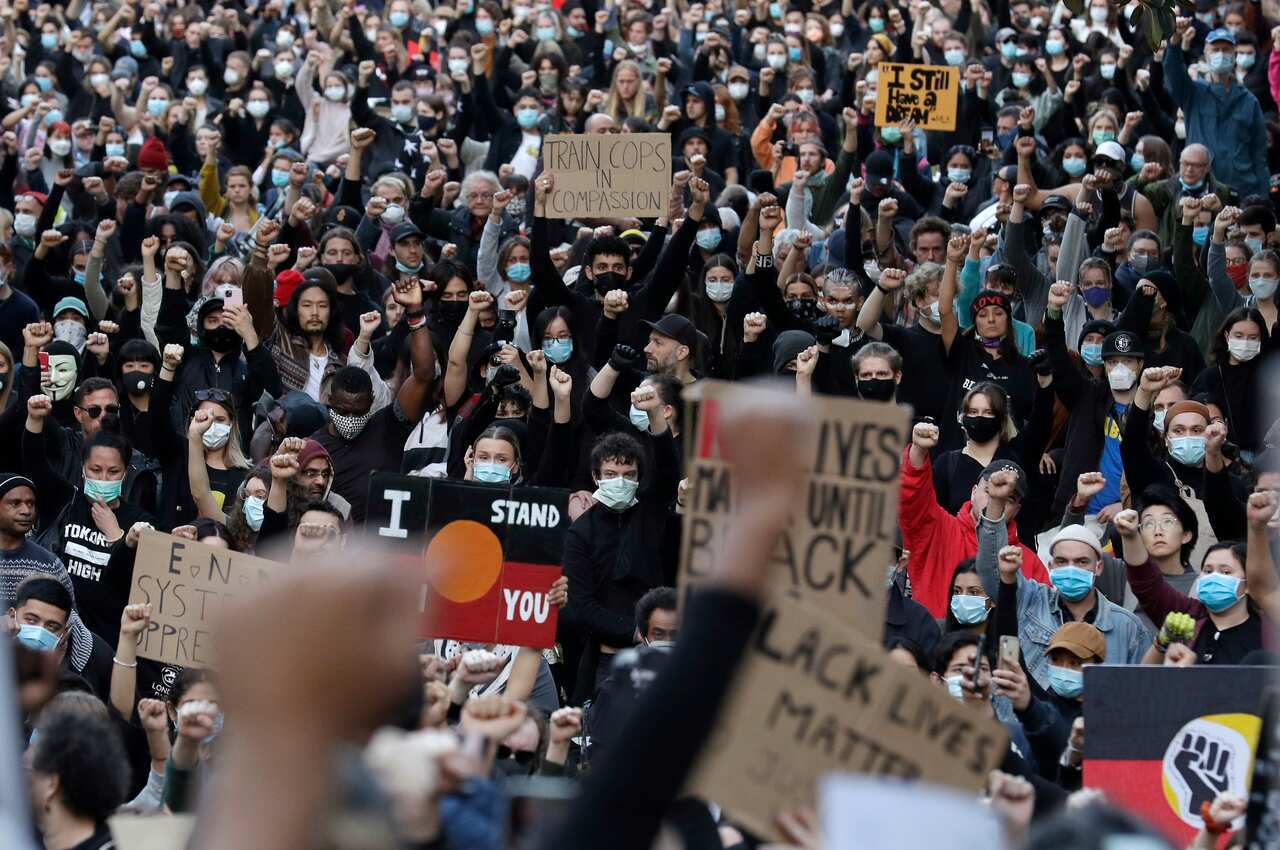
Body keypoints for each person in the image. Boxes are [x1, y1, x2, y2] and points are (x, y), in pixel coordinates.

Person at [899, 421, 1049, 618]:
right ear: (973, 492)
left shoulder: (1029, 562)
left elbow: (1042, 618)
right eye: (990, 490)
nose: (997, 499)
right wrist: (918, 450)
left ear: (1017, 509)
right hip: (932, 644)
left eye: (1008, 498)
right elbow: (911, 499)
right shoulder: (938, 529)